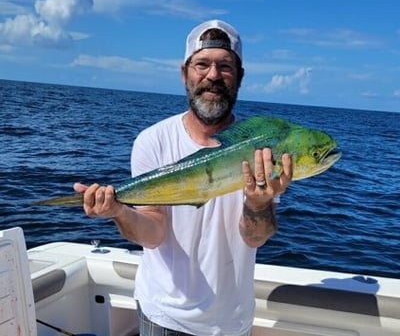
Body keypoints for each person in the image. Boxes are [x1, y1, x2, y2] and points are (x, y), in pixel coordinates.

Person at [74, 19, 292, 336]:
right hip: (162, 317)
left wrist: (259, 203)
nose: (213, 76)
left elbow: (255, 238)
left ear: (239, 78)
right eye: (202, 64)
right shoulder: (152, 140)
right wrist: (118, 211)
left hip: (231, 323)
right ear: (184, 73)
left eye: (225, 67)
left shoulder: (260, 147)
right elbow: (154, 233)